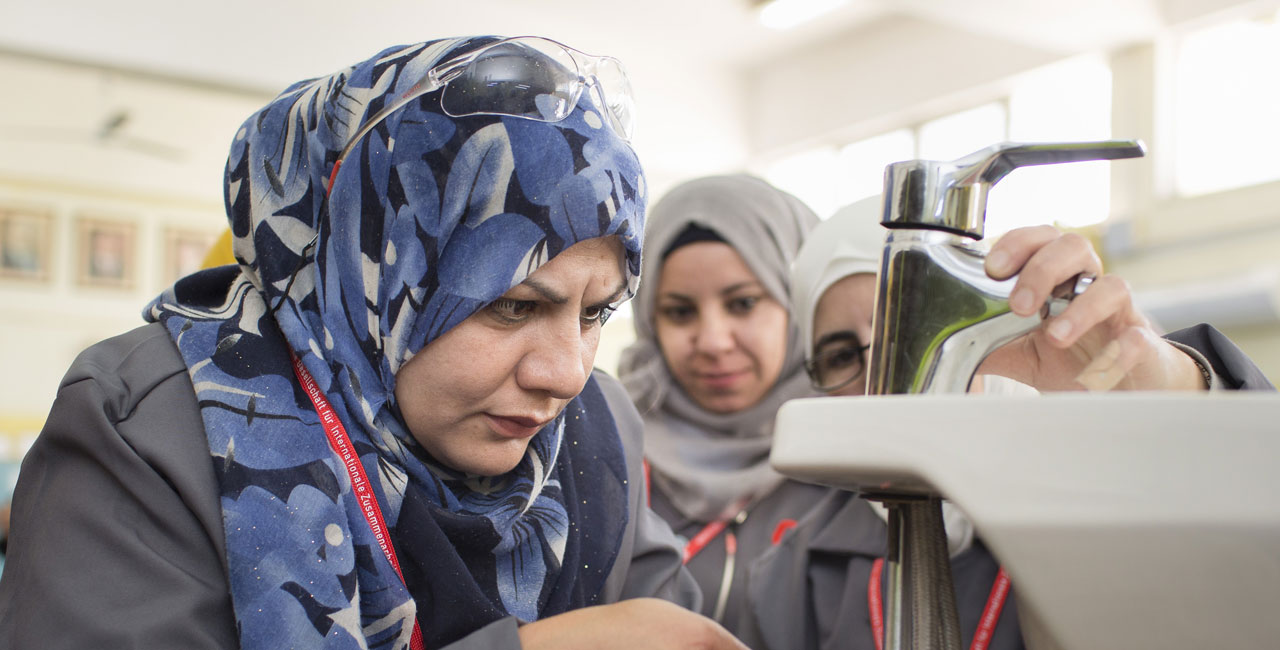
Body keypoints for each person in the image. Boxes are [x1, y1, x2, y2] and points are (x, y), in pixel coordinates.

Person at [0, 36, 749, 650]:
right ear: (376, 281)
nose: (564, 374)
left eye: (594, 313)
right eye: (513, 307)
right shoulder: (155, 429)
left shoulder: (597, 432)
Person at [739, 195, 1275, 650]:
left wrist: (1172, 396)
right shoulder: (792, 574)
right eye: (839, 356)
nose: (887, 379)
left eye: (911, 335)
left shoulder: (1101, 508)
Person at [617, 174, 830, 636]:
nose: (712, 342)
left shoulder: (860, 467)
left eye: (743, 303)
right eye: (679, 312)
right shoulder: (610, 457)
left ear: (804, 305)